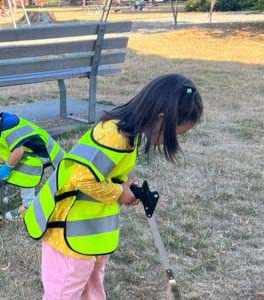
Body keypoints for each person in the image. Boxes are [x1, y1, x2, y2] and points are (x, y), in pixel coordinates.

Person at [24, 74, 204, 299]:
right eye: (177, 133)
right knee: (64, 292)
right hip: (68, 236)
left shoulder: (129, 134)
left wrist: (125, 186)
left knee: (91, 288)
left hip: (91, 235)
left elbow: (105, 172)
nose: (175, 139)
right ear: (161, 118)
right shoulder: (114, 135)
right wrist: (119, 192)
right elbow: (82, 178)